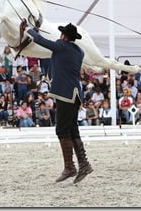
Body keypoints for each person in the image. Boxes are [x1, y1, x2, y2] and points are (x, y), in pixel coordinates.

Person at [25, 22, 93, 184]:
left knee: (61, 130)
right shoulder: (79, 51)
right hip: (75, 94)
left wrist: (29, 30)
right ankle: (83, 163)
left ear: (63, 36)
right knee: (72, 129)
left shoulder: (61, 46)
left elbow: (41, 41)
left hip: (65, 93)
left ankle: (70, 167)